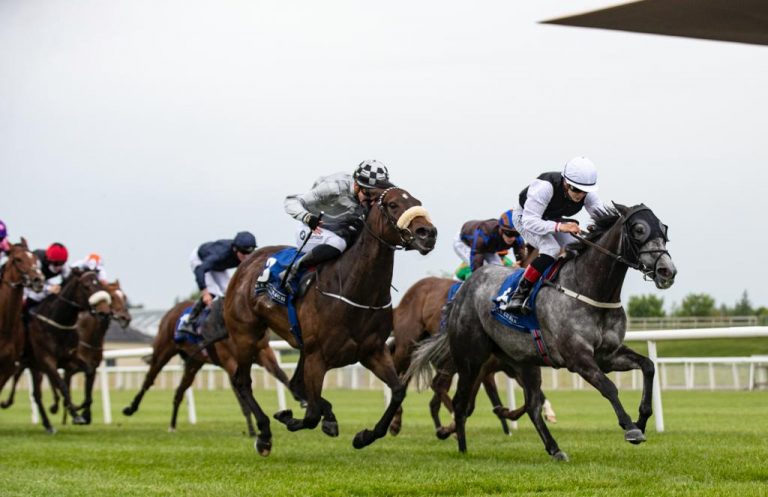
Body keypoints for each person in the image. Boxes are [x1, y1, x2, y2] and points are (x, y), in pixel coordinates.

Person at [501, 157, 608, 314]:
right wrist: (561, 227)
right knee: (551, 248)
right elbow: (530, 221)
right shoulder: (545, 187)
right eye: (576, 189)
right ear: (565, 182)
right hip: (525, 217)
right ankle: (519, 294)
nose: (580, 195)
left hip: (550, 218)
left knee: (579, 247)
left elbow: (602, 216)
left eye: (585, 191)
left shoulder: (586, 193)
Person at [282, 160, 393, 287]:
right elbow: (291, 201)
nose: (373, 200)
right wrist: (307, 217)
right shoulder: (334, 187)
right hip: (311, 230)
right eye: (369, 193)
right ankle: (293, 269)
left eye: (377, 195)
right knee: (338, 242)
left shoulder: (368, 198)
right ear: (356, 185)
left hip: (338, 230)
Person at [177, 231, 257, 336]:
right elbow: (200, 270)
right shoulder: (220, 255)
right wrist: (205, 293)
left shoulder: (242, 253)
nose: (247, 257)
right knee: (212, 292)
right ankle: (188, 321)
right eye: (243, 253)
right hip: (200, 261)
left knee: (230, 291)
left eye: (249, 253)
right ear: (235, 249)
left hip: (219, 266)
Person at [452, 209, 527, 280]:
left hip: (488, 247)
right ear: (501, 230)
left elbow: (521, 259)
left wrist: (519, 263)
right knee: (485, 271)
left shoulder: (517, 239)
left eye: (516, 234)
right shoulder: (484, 234)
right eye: (509, 234)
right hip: (464, 243)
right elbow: (477, 261)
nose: (512, 238)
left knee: (501, 271)